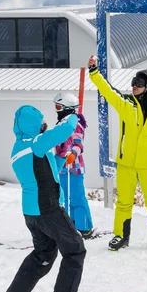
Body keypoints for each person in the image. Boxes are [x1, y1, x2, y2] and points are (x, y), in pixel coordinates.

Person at [87, 55, 147, 251]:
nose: (134, 86)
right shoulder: (127, 105)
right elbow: (108, 92)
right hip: (126, 163)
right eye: (133, 82)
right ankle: (120, 236)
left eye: (139, 83)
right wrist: (94, 73)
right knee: (124, 202)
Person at [4, 105, 86, 292]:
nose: (43, 125)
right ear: (34, 124)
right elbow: (65, 130)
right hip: (48, 208)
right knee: (75, 249)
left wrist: (60, 156)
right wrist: (73, 116)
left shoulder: (21, 148)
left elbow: (50, 171)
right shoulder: (35, 144)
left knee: (44, 253)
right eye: (41, 122)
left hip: (32, 213)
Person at [53, 92, 94, 240]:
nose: (56, 110)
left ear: (67, 108)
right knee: (65, 198)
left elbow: (78, 144)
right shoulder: (62, 123)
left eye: (58, 106)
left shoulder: (75, 124)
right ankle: (71, 225)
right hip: (63, 167)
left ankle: (85, 228)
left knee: (77, 197)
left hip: (73, 168)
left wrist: (73, 154)